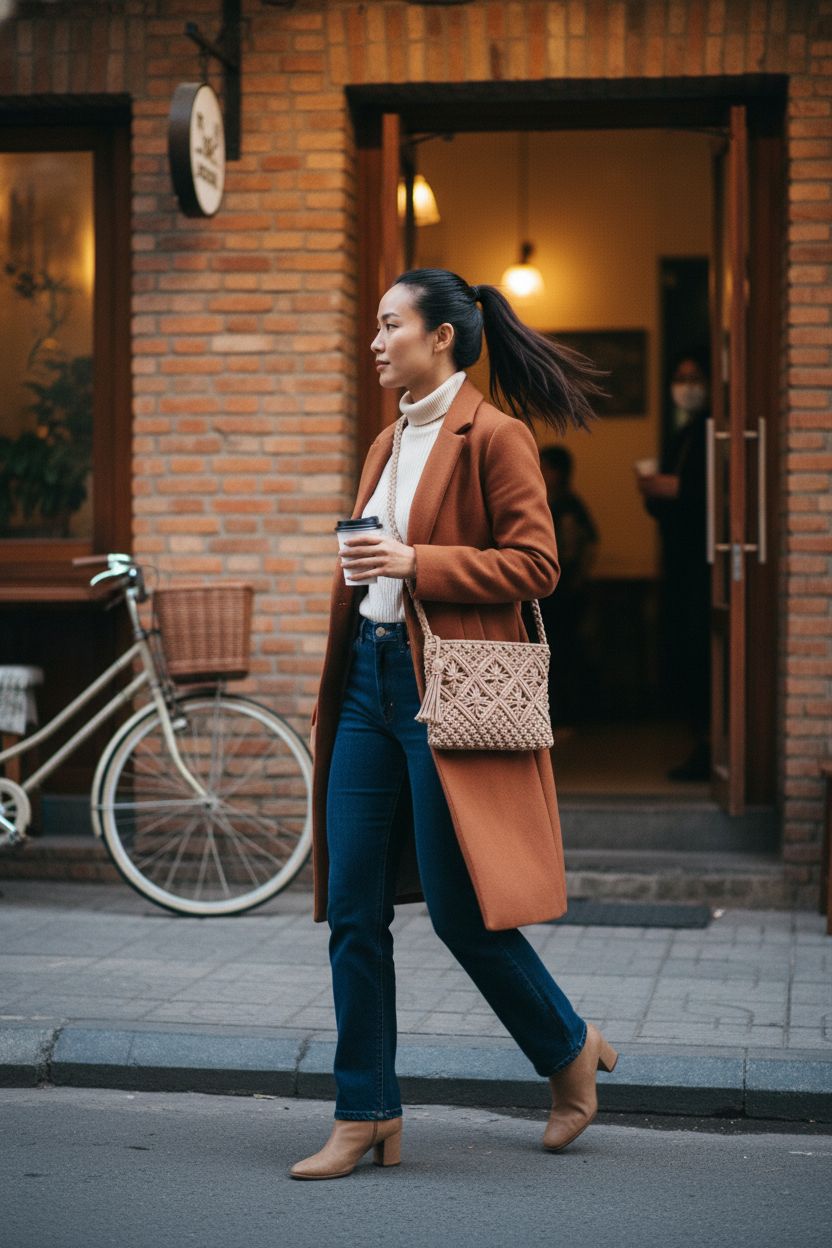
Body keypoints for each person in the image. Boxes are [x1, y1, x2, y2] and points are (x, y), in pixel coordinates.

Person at [291, 269, 615, 1182]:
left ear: (440, 337)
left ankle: (567, 1050)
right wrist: (373, 569)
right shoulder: (386, 439)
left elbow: (537, 563)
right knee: (351, 909)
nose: (376, 340)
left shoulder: (495, 436)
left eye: (390, 325)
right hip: (367, 681)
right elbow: (378, 568)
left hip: (449, 692)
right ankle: (366, 1114)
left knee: (462, 910)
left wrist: (413, 559)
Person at [637, 355, 710, 780]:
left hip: (707, 567)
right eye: (680, 378)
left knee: (701, 654)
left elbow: (719, 495)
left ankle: (709, 749)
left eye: (694, 377)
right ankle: (699, 744)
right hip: (679, 566)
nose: (687, 385)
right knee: (683, 652)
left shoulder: (714, 433)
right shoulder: (682, 433)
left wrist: (678, 489)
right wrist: (655, 493)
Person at [536, 444, 598, 726]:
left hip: (564, 594)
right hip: (551, 593)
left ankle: (567, 718)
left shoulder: (567, 505)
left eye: (546, 467)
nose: (540, 472)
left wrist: (575, 581)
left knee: (563, 654)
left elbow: (584, 547)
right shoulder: (545, 501)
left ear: (559, 473)